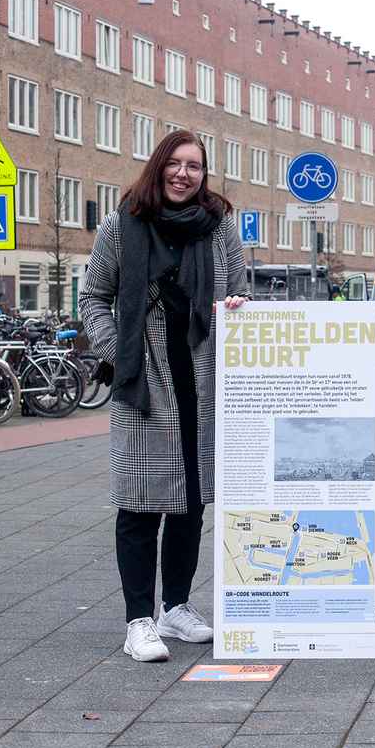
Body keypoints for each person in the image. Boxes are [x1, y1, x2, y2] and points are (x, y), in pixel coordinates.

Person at [80, 129, 247, 662]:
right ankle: (139, 620)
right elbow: (93, 298)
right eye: (175, 164)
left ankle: (175, 606)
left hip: (202, 375)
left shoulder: (220, 229)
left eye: (194, 166)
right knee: (139, 503)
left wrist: (240, 305)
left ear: (204, 174)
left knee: (191, 501)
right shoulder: (122, 223)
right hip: (144, 380)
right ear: (159, 166)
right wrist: (120, 352)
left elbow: (239, 288)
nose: (183, 174)